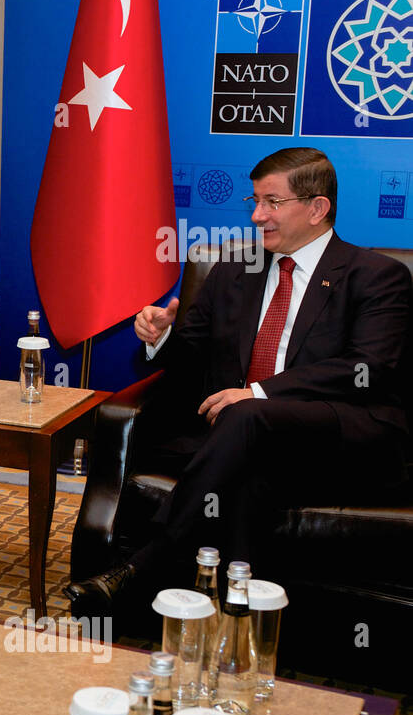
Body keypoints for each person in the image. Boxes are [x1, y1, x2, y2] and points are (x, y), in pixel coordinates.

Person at [67, 147, 411, 616]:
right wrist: (159, 338)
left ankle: (146, 564)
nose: (256, 215)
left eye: (272, 202)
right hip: (240, 438)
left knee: (247, 417)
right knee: (248, 475)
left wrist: (259, 394)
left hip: (337, 432)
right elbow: (191, 357)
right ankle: (238, 616)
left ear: (317, 208)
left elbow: (368, 369)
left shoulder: (376, 275)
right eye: (254, 201)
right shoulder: (236, 269)